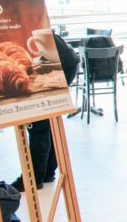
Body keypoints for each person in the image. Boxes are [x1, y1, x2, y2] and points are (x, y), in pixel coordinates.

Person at [12, 31, 79, 191]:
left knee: (38, 124)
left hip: (58, 64)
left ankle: (33, 178)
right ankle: (47, 172)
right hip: (66, 60)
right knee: (48, 120)